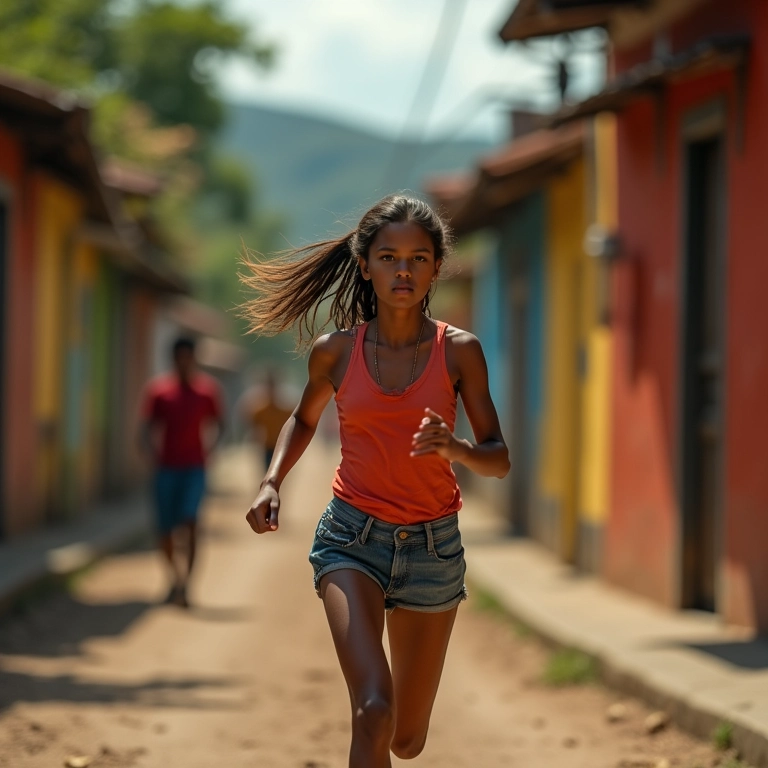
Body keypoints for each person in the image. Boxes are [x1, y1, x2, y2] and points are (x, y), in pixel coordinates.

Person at [240, 195, 509, 767]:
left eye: (417, 257)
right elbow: (304, 417)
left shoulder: (459, 352)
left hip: (434, 548)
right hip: (351, 539)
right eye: (388, 257)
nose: (403, 270)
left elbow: (498, 457)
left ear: (437, 266)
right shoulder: (335, 352)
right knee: (372, 711)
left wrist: (456, 447)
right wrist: (271, 480)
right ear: (365, 265)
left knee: (406, 741)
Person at [139, 336, 225, 608]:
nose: (185, 362)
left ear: (195, 359)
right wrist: (150, 455)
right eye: (181, 357)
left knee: (191, 523)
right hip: (165, 470)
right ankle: (174, 579)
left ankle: (186, 585)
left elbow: (220, 424)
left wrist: (211, 450)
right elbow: (145, 428)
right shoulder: (159, 391)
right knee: (164, 531)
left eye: (190, 357)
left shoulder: (207, 391)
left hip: (195, 469)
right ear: (174, 359)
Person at [242, 370, 294, 472]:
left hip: (281, 447)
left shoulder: (284, 410)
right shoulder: (261, 409)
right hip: (267, 446)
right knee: (268, 472)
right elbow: (251, 421)